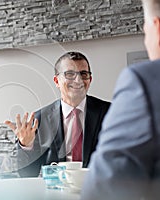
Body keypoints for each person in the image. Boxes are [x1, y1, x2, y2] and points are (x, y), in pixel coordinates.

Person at [81, 1, 160, 199]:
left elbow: (104, 189)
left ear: (156, 28)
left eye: (145, 31)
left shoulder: (144, 81)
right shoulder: (40, 118)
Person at [5, 51, 110, 177]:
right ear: (56, 81)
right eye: (70, 74)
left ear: (90, 79)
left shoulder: (111, 113)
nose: (78, 80)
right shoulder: (39, 120)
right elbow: (27, 174)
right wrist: (26, 146)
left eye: (83, 74)